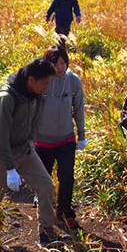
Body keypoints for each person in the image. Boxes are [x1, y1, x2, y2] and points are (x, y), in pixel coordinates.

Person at [0, 58, 60, 247]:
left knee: (46, 186)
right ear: (31, 80)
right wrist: (10, 169)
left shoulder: (35, 95)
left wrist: (30, 143)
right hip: (0, 155)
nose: (47, 87)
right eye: (45, 83)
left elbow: (34, 123)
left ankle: (46, 231)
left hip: (24, 151)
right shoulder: (6, 99)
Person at [35, 45, 86, 229]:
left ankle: (64, 211)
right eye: (55, 64)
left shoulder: (73, 82)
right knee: (44, 177)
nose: (60, 68)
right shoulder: (42, 81)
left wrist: (82, 135)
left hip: (66, 138)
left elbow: (78, 108)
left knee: (66, 176)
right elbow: (32, 108)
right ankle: (44, 206)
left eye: (63, 63)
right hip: (42, 140)